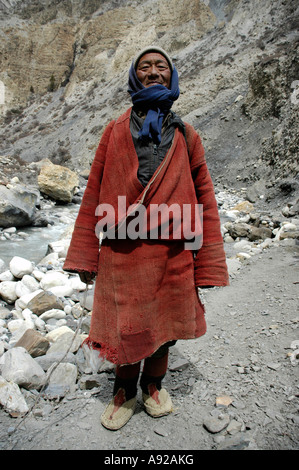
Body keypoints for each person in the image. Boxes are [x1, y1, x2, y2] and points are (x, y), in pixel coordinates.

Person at [63, 46, 229, 430]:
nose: (153, 72)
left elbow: (205, 198)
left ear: (171, 76)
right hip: (124, 251)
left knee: (166, 326)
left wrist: (208, 264)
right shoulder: (115, 130)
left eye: (161, 67)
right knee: (127, 324)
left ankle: (154, 386)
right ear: (134, 77)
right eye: (145, 67)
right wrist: (84, 257)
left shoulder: (187, 135)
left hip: (173, 251)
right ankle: (124, 391)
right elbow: (93, 192)